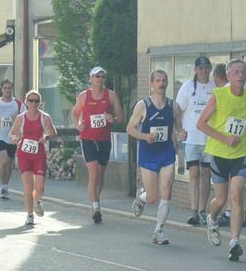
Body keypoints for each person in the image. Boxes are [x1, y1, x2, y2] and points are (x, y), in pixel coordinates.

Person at [198, 59, 246, 259]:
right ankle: (212, 218)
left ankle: (234, 242)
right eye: (236, 72)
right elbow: (201, 124)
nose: (241, 76)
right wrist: (224, 138)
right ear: (229, 76)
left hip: (241, 153)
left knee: (237, 194)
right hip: (219, 153)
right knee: (221, 199)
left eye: (244, 72)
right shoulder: (218, 96)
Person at [128, 70, 183, 245]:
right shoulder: (142, 105)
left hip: (166, 153)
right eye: (158, 81)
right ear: (152, 84)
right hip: (148, 154)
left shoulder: (174, 106)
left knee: (166, 189)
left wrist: (181, 134)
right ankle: (141, 197)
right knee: (152, 198)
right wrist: (145, 137)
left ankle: (159, 230)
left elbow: (178, 129)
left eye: (164, 80)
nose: (161, 84)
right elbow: (130, 128)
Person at [71, 66, 124, 223]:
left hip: (104, 139)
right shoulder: (84, 96)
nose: (100, 79)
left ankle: (96, 199)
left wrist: (112, 119)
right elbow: (74, 113)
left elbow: (121, 116)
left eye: (102, 77)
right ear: (91, 78)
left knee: (100, 175)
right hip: (88, 138)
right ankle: (96, 206)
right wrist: (78, 125)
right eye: (97, 76)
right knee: (93, 173)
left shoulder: (111, 95)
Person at [174, 56, 215, 225]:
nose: (203, 71)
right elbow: (177, 110)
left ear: (210, 69)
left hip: (209, 138)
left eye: (206, 68)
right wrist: (179, 130)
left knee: (206, 173)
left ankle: (202, 209)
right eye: (200, 68)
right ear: (195, 70)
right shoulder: (187, 87)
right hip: (191, 137)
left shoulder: (214, 87)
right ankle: (193, 211)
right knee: (193, 173)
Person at [9, 90, 56, 227]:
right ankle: (29, 215)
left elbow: (53, 132)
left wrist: (46, 137)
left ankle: (37, 200)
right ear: (26, 102)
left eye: (36, 101)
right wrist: (15, 138)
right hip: (24, 155)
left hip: (39, 155)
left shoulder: (45, 117)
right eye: (31, 101)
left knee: (40, 187)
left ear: (40, 103)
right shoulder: (21, 118)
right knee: (28, 185)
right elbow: (11, 135)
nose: (34, 104)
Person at [0, 79, 25, 200]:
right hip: (0, 136)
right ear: (2, 90)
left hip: (12, 137)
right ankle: (2, 185)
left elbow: (24, 117)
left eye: (9, 88)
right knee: (4, 161)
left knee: (9, 163)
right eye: (5, 88)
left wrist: (16, 120)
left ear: (12, 89)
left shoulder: (18, 103)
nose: (7, 90)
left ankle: (6, 185)